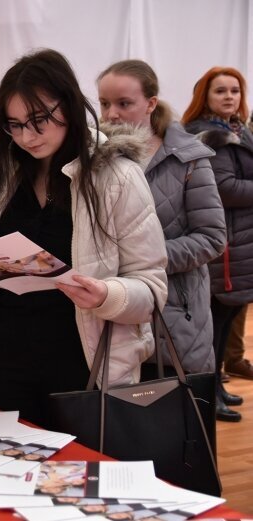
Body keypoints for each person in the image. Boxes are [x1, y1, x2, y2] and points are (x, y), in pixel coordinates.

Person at [0, 49, 167, 427]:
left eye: (38, 120)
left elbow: (151, 289)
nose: (27, 137)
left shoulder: (116, 176)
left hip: (83, 364)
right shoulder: (2, 173)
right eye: (14, 125)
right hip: (7, 359)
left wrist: (106, 295)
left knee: (74, 479)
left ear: (67, 106)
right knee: (2, 472)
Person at [96, 61, 226, 386]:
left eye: (124, 103)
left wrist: (142, 259)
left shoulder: (188, 158)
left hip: (174, 315)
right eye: (104, 103)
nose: (112, 113)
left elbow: (211, 237)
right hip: (110, 310)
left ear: (151, 103)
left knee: (174, 425)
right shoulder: (94, 158)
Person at [184, 66, 253, 422]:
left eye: (235, 91)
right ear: (205, 97)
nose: (229, 97)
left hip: (239, 240)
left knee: (225, 322)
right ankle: (207, 395)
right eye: (220, 91)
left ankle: (217, 386)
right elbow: (225, 188)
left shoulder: (239, 132)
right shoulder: (208, 136)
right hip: (222, 245)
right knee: (213, 324)